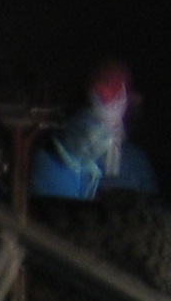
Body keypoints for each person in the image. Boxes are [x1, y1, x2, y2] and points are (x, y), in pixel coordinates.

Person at [30, 61, 157, 200]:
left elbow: (151, 208)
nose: (108, 95)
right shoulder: (48, 163)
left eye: (118, 90)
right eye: (106, 82)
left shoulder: (135, 165)